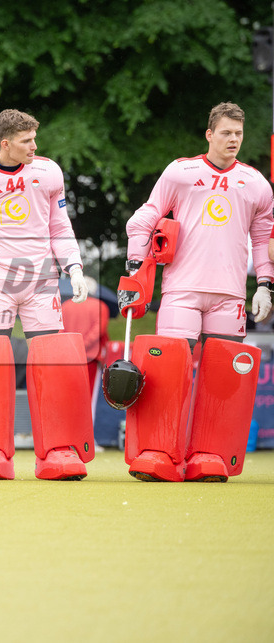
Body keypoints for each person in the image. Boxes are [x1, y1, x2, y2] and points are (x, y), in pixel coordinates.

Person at [120, 101, 273, 482]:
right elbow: (144, 218)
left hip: (230, 295)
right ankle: (159, 452)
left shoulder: (256, 183)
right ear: (209, 134)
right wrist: (136, 268)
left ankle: (210, 455)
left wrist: (266, 285)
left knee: (221, 379)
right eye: (226, 133)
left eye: (238, 133)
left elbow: (263, 237)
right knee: (169, 370)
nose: (233, 139)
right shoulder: (181, 172)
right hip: (181, 290)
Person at [0, 109, 93, 481]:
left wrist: (74, 267)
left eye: (35, 138)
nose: (35, 145)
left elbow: (60, 226)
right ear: (6, 143)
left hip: (41, 282)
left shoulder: (48, 172)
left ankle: (56, 452)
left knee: (51, 359)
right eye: (27, 140)